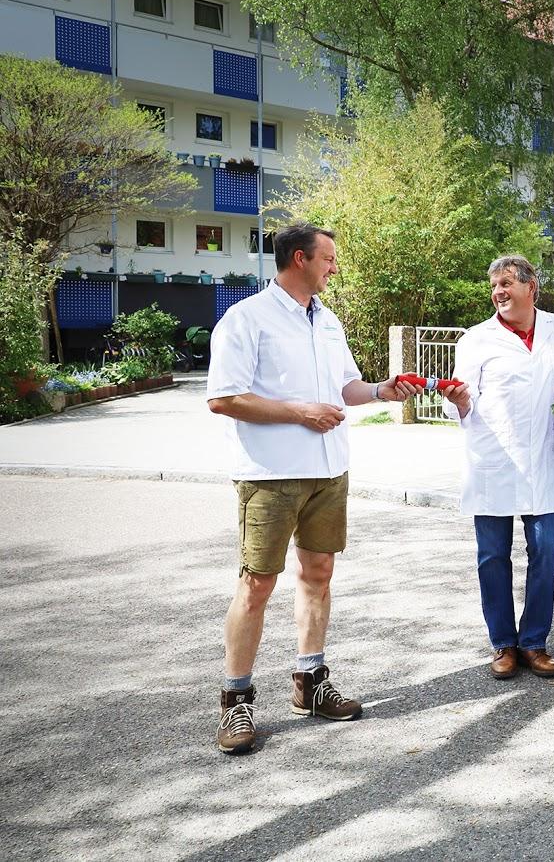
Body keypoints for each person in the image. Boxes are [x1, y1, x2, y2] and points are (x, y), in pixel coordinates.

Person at [206, 222, 421, 755]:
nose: (334, 266)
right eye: (328, 258)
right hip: (270, 473)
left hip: (330, 470)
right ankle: (236, 702)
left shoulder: (328, 321)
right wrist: (299, 412)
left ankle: (310, 682)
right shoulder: (246, 319)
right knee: (257, 584)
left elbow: (344, 388)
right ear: (299, 259)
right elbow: (224, 398)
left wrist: (381, 389)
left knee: (319, 574)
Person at [440, 255, 554, 680]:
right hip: (493, 464)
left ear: (531, 287)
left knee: (546, 554)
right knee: (493, 557)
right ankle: (503, 643)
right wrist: (459, 401)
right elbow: (458, 403)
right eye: (494, 285)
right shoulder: (476, 339)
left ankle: (534, 642)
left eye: (506, 283)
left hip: (542, 462)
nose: (498, 292)